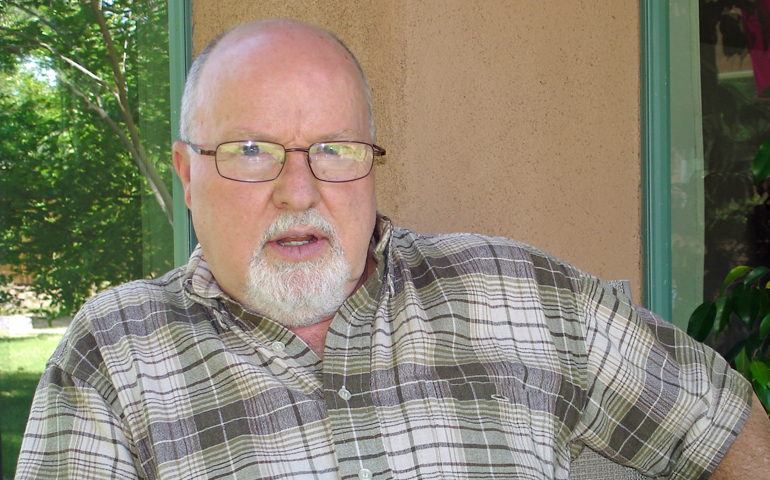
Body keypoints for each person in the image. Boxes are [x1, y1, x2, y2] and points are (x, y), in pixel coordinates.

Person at [15, 18, 770, 480]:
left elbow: (724, 425)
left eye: (335, 149)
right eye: (252, 151)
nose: (299, 189)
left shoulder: (518, 293)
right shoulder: (114, 357)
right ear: (187, 173)